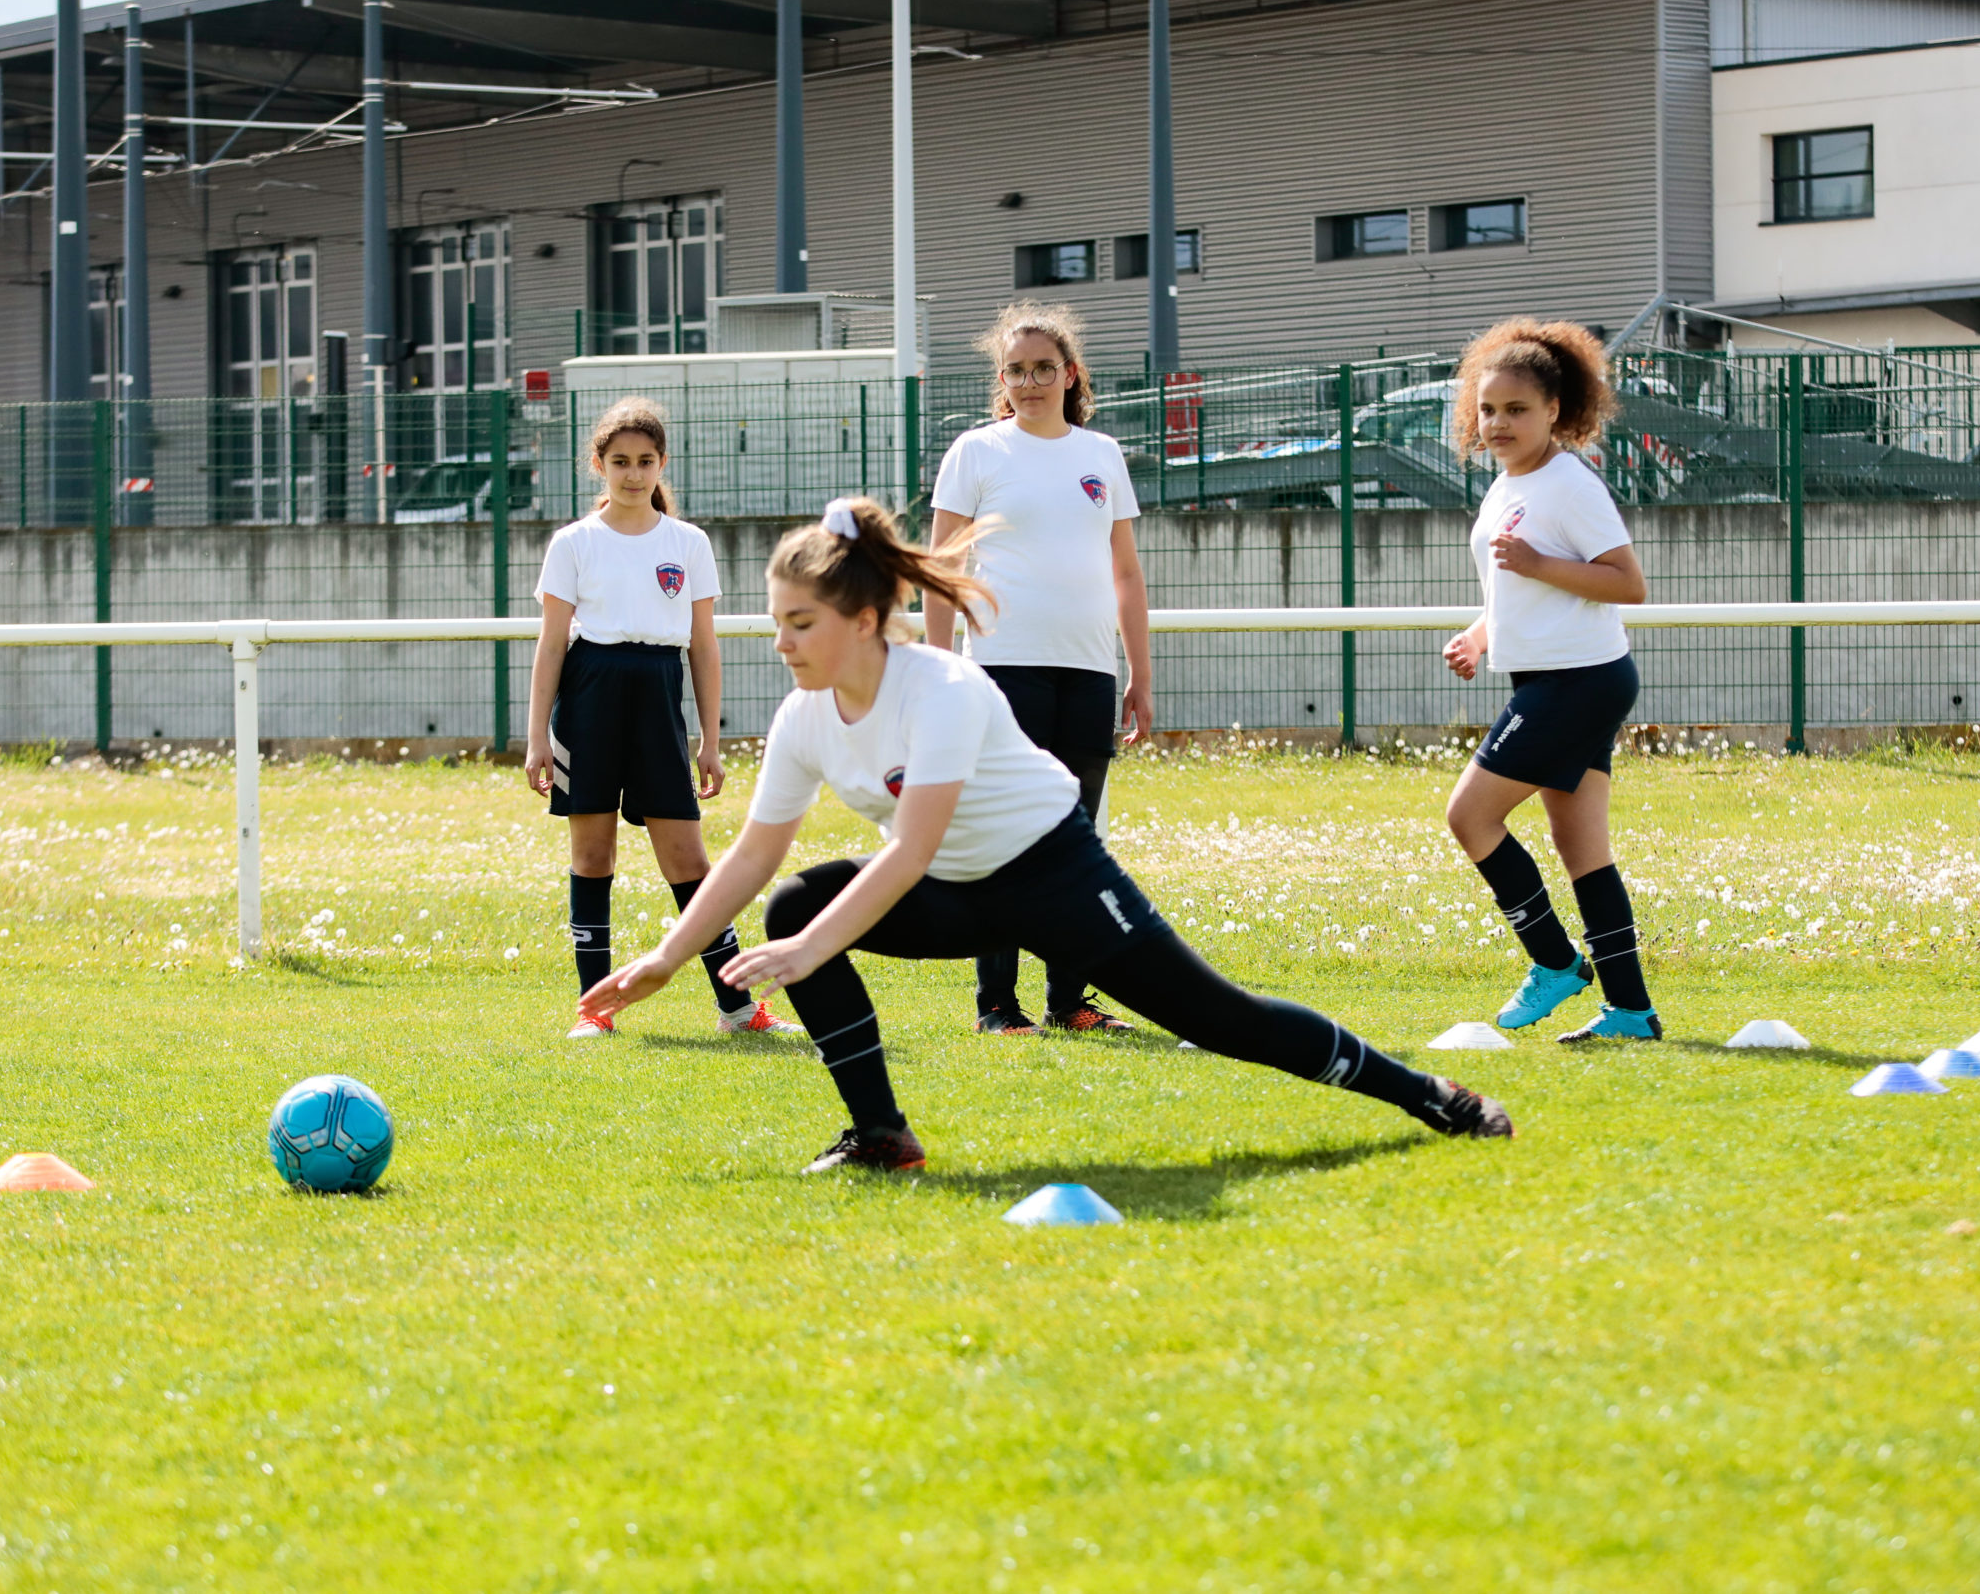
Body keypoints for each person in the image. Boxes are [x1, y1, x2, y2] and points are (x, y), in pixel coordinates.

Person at [584, 497, 1513, 1172]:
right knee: (797, 897)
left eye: (800, 622)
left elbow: (907, 850)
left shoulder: (941, 689)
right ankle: (883, 1135)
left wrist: (810, 948)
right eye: (774, 622)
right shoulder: (805, 716)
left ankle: (1429, 1096)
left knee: (1218, 1018)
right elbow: (753, 852)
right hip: (956, 891)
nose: (780, 642)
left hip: (1053, 873)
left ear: (866, 620)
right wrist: (669, 957)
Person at [922, 302, 1152, 1037]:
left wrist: (1138, 673)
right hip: (1001, 669)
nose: (1030, 381)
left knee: (1076, 840)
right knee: (1005, 834)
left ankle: (1070, 1000)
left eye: (1043, 368)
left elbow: (1125, 573)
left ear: (1070, 373)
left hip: (1087, 671)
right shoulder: (977, 452)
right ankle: (997, 1004)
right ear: (1002, 378)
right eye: (1017, 370)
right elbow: (940, 568)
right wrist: (935, 670)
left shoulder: (1101, 454)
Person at [524, 396, 776, 1039]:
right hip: (589, 699)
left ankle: (740, 1008)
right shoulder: (573, 542)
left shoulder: (686, 543)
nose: (633, 473)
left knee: (688, 858)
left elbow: (704, 647)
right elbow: (551, 644)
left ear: (662, 464)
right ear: (598, 465)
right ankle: (595, 1010)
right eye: (619, 462)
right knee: (592, 856)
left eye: (645, 461)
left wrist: (711, 739)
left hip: (658, 700)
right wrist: (536, 741)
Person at [1439, 320, 1661, 1044]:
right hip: (1558, 676)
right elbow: (1517, 585)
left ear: (1556, 412)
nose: (1498, 423)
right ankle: (1631, 1010)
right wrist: (1480, 636)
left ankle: (1556, 962)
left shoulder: (1569, 483)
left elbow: (1627, 583)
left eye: (1517, 410)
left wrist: (1537, 564)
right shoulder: (1508, 484)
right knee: (1583, 850)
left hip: (1578, 681)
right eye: (1488, 409)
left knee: (1469, 816)